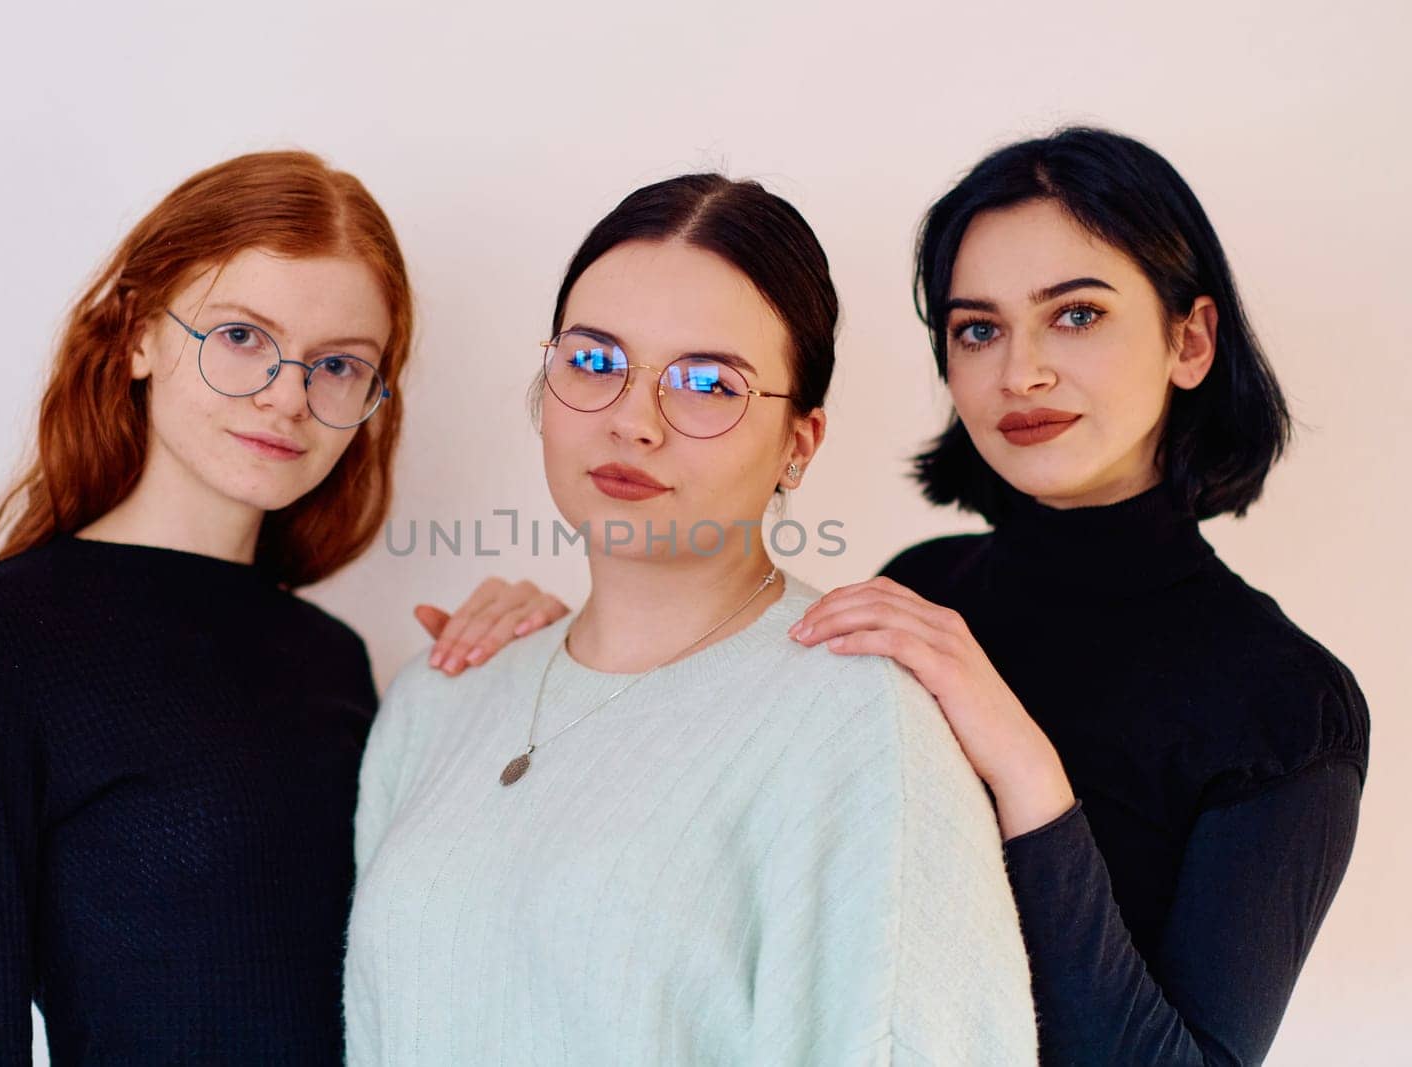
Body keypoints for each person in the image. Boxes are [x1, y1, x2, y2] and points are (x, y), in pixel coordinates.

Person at [0, 150, 562, 1065]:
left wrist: (552, 664)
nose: (288, 396)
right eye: (241, 335)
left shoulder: (331, 656)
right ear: (137, 333)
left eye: (338, 365)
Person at [344, 173, 1038, 1065]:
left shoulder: (861, 726)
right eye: (593, 362)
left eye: (708, 383)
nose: (635, 420)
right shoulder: (437, 700)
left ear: (799, 443)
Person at [791, 127, 1370, 1065]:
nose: (1020, 372)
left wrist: (1022, 761)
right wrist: (556, 645)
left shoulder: (1287, 705)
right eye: (977, 329)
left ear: (1191, 340)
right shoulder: (920, 590)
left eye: (1076, 314)